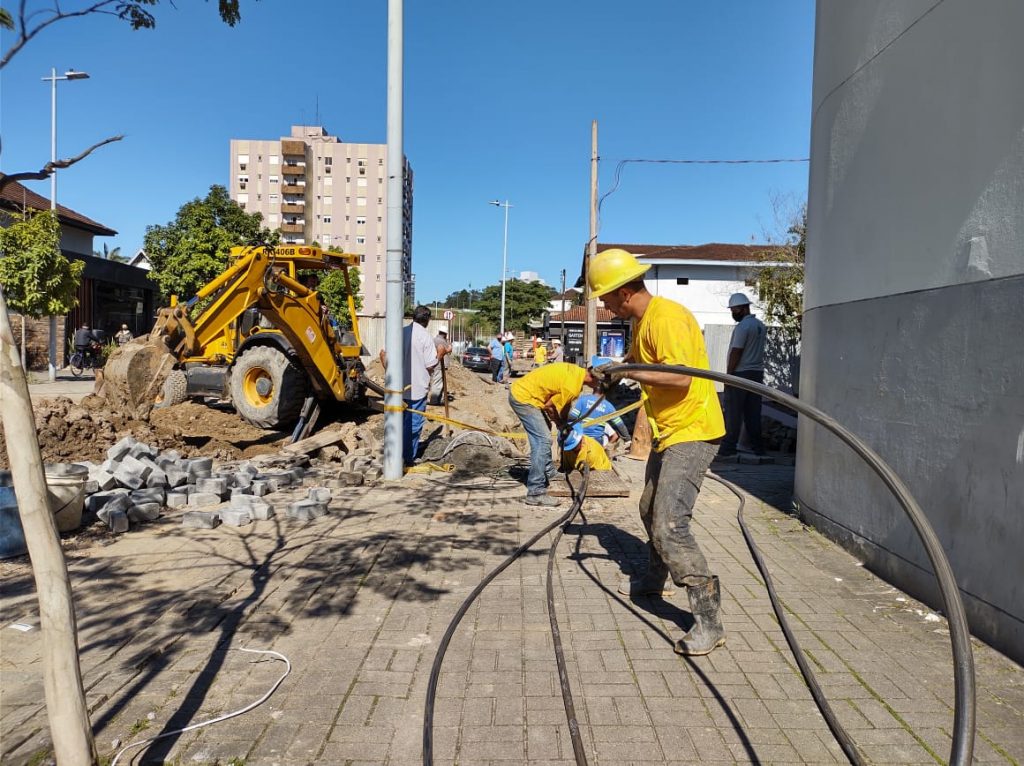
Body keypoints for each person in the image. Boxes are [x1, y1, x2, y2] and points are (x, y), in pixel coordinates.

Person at [589, 248, 727, 656]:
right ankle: (653, 580)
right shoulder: (643, 321)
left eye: (607, 298)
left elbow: (678, 380)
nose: (604, 305)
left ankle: (709, 621)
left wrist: (627, 371)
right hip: (671, 431)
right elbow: (636, 362)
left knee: (669, 524)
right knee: (649, 509)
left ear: (625, 291)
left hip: (693, 430)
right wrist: (611, 371)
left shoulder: (665, 318)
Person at [508, 361, 599, 507]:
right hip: (524, 398)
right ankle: (535, 492)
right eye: (602, 383)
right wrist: (560, 423)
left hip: (523, 392)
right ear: (596, 378)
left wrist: (562, 422)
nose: (600, 387)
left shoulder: (576, 373)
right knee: (543, 440)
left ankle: (548, 470)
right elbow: (550, 406)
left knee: (544, 432)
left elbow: (564, 403)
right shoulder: (572, 386)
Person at [379, 305, 438, 467]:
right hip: (417, 389)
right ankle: (407, 458)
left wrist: (388, 371)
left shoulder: (400, 333)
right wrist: (442, 352)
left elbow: (384, 357)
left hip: (397, 388)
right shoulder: (425, 337)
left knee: (398, 422)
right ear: (427, 320)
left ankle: (395, 454)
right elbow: (431, 365)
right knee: (413, 424)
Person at [719, 293, 767, 457]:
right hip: (757, 374)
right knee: (753, 413)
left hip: (740, 374)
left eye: (734, 309)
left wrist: (729, 376)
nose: (733, 313)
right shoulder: (760, 326)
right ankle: (758, 447)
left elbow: (736, 351)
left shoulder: (743, 327)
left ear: (743, 308)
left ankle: (728, 447)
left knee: (733, 412)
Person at [569, 356, 632, 449]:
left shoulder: (583, 400)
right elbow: (620, 425)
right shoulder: (608, 407)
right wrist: (628, 440)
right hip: (597, 443)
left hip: (580, 440)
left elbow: (572, 418)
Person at [428, 329, 453, 406]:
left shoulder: (433, 339)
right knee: (438, 383)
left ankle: (437, 399)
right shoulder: (442, 341)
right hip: (439, 365)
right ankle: (434, 401)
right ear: (445, 334)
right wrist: (449, 344)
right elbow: (449, 349)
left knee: (435, 382)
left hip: (433, 364)